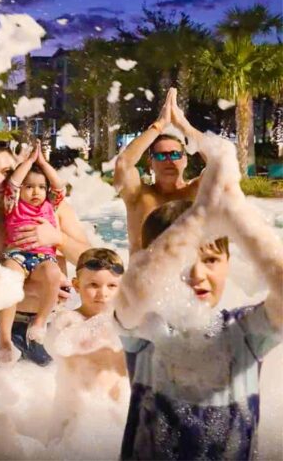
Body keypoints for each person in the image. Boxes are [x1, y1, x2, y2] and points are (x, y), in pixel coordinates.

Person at [114, 130, 282, 460]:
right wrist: (202, 216)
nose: (197, 274)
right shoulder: (147, 333)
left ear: (228, 263)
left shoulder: (244, 333)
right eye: (184, 260)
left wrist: (238, 215)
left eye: (210, 260)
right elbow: (133, 295)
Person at [0, 139, 91, 366]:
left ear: (20, 166)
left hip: (48, 327)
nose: (0, 182)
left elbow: (91, 261)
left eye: (7, 171)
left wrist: (59, 238)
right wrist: (37, 288)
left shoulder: (55, 209)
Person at [0, 141, 67, 365]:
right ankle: (4, 340)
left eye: (41, 187)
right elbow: (14, 182)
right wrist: (28, 162)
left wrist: (43, 163)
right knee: (9, 279)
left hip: (43, 257)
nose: (36, 191)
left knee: (54, 276)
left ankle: (40, 322)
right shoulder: (13, 204)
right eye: (30, 187)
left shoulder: (49, 206)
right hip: (17, 255)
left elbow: (59, 187)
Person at [46, 248, 127, 441]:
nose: (103, 293)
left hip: (117, 412)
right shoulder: (68, 320)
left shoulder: (125, 323)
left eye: (112, 286)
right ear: (76, 285)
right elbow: (59, 349)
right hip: (75, 415)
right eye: (93, 284)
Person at [114, 88, 203, 253]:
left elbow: (223, 164)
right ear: (151, 163)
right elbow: (123, 164)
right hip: (143, 276)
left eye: (175, 154)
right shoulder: (138, 195)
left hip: (188, 276)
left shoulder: (197, 192)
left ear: (185, 159)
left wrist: (185, 126)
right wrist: (159, 126)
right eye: (161, 156)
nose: (169, 160)